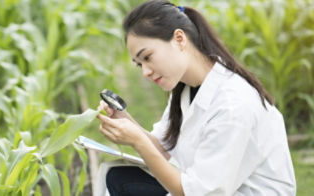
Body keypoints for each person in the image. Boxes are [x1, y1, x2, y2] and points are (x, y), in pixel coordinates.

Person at [96, 0, 296, 195]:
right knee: (118, 177)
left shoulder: (233, 105)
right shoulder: (186, 88)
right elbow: (167, 151)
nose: (145, 72)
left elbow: (197, 191)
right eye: (140, 64)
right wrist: (126, 122)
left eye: (147, 57)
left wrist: (138, 141)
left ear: (179, 39)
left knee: (123, 184)